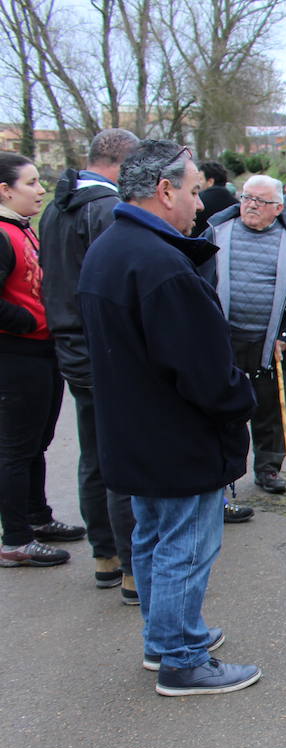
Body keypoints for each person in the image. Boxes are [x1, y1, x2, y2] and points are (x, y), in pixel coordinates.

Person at [78, 139, 260, 695]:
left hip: (138, 429)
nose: (200, 205)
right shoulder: (159, 264)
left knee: (155, 536)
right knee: (185, 541)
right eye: (194, 191)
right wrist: (240, 401)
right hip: (174, 434)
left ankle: (167, 640)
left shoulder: (112, 247)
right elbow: (202, 372)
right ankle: (181, 657)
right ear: (165, 191)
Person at [37, 128, 144, 593]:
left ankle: (105, 555)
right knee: (120, 458)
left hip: (71, 345)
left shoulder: (57, 208)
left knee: (95, 453)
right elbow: (117, 283)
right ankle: (131, 568)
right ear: (125, 163)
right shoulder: (103, 209)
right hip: (100, 348)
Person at [200, 175, 286, 496]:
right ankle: (224, 473)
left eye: (261, 201)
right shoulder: (214, 234)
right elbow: (195, 283)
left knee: (269, 409)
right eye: (247, 197)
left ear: (278, 208)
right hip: (223, 340)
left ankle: (268, 468)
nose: (251, 205)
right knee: (225, 409)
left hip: (274, 343)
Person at [0, 153, 88, 568]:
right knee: (16, 448)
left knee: (37, 442)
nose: (40, 190)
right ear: (5, 190)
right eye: (31, 182)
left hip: (40, 351)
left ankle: (37, 517)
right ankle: (15, 538)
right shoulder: (2, 234)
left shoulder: (23, 229)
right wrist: (28, 320)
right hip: (16, 356)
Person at [192, 160, 237, 236]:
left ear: (210, 182)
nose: (198, 183)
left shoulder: (197, 202)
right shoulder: (236, 205)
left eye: (200, 179)